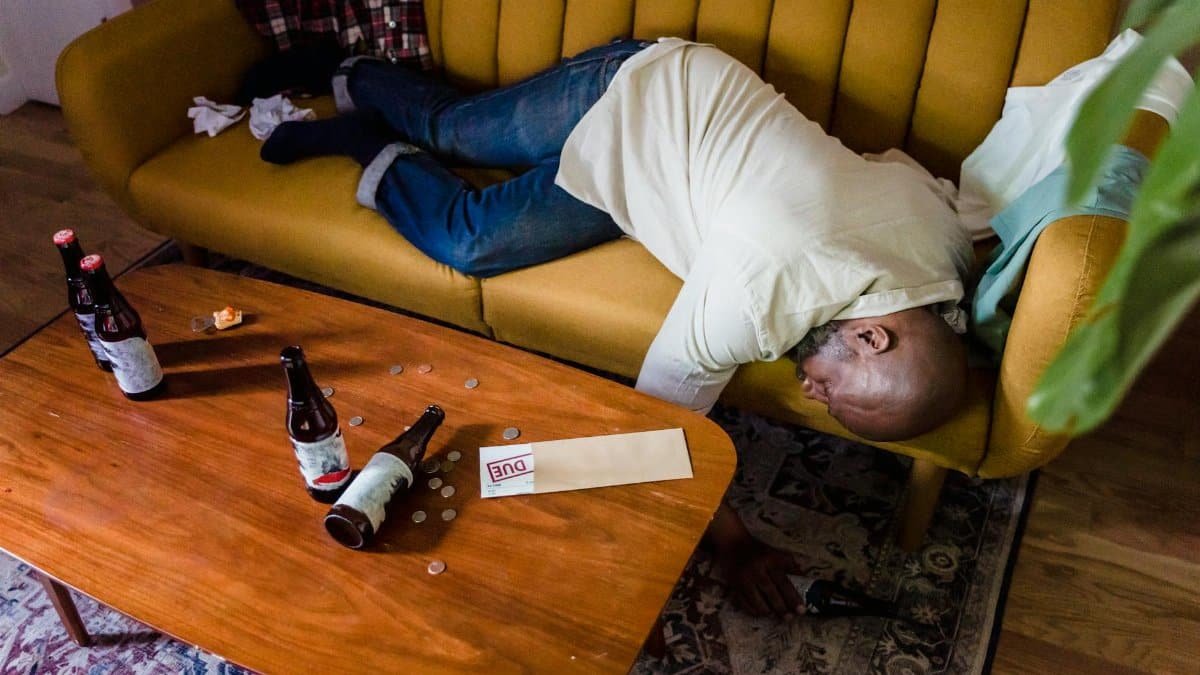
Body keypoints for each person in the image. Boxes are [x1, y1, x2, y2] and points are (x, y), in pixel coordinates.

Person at [262, 37, 974, 616]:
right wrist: (731, 542)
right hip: (638, 93)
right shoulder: (762, 288)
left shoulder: (940, 255)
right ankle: (346, 67)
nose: (818, 397)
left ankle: (361, 137)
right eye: (837, 392)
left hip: (654, 178)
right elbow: (658, 426)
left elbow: (903, 177)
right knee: (458, 165)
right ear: (872, 334)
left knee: (472, 229)